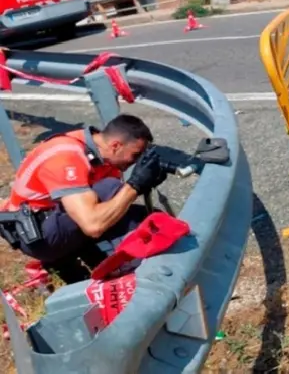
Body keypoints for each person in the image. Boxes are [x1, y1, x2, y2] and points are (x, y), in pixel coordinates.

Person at [0, 114, 168, 283]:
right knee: (110, 188)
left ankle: (114, 272)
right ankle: (133, 276)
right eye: (135, 155)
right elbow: (93, 225)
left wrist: (144, 184)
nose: (135, 162)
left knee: (142, 216)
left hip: (56, 222)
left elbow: (111, 208)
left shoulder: (99, 153)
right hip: (37, 234)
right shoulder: (66, 156)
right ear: (116, 145)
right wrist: (135, 185)